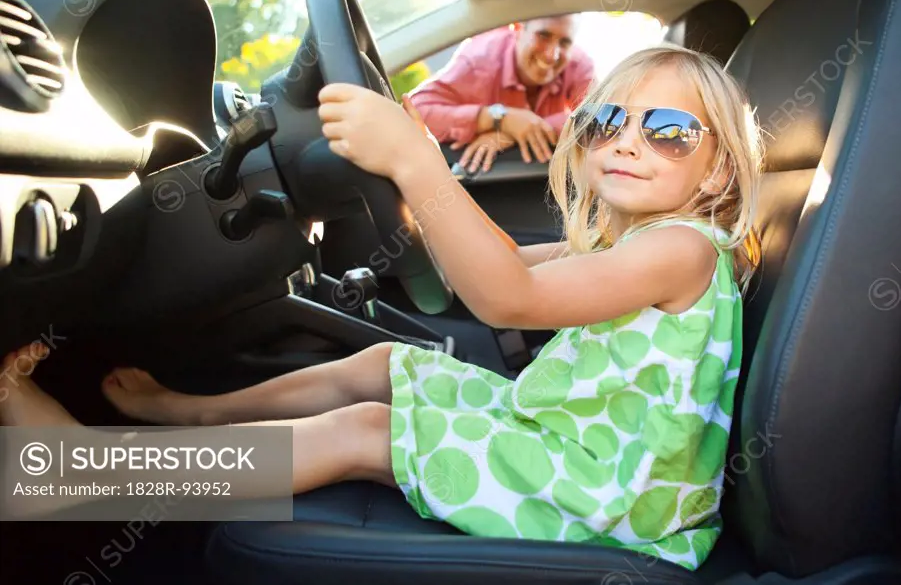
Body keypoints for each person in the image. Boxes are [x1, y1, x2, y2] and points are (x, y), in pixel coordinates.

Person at [1, 45, 763, 571]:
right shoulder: (621, 242)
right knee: (388, 364)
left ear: (715, 168)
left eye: (668, 132)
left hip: (618, 502)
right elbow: (491, 256)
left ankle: (90, 477)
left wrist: (414, 158)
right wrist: (415, 184)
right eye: (607, 122)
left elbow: (506, 296)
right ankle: (189, 413)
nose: (628, 142)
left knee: (371, 428)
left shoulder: (683, 249)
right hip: (573, 446)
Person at [410, 15, 596, 173]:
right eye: (543, 36)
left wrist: (521, 130)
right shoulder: (479, 59)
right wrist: (499, 118)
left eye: (564, 42)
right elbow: (415, 111)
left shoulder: (578, 63)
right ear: (517, 28)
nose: (552, 55)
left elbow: (598, 116)